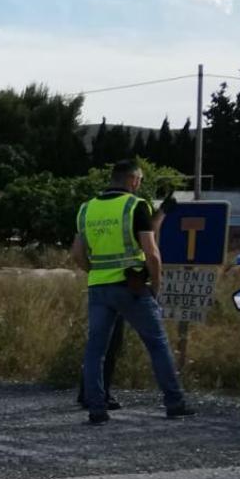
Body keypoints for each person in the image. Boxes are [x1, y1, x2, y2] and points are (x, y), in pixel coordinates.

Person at [70, 159, 194, 425]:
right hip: (132, 288)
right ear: (133, 180)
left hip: (98, 287)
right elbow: (151, 252)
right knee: (157, 345)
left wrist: (95, 271)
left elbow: (77, 253)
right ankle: (175, 403)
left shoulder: (86, 209)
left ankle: (96, 409)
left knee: (95, 350)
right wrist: (156, 288)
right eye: (139, 180)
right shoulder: (135, 206)